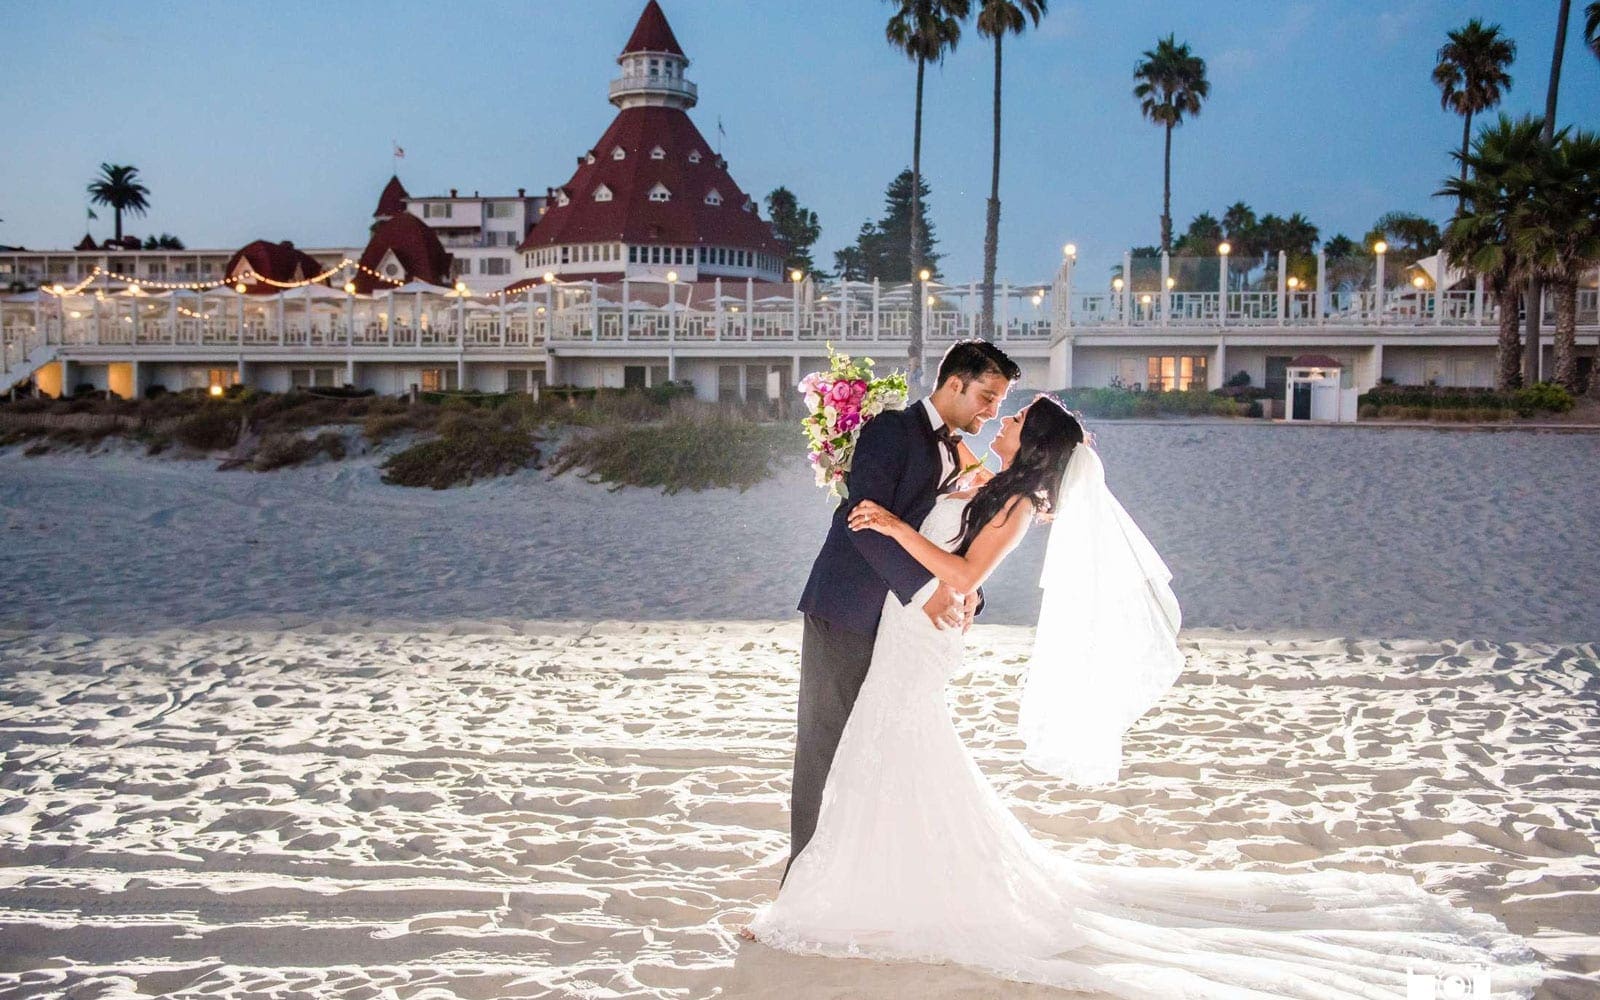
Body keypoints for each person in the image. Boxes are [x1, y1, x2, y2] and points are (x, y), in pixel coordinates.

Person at [747, 396, 1543, 999]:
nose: (1006, 419)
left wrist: (892, 528)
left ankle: (859, 891)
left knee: (895, 743)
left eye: (1016, 417)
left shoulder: (1019, 505)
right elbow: (950, 531)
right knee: (889, 750)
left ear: (1035, 443)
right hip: (912, 625)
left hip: (924, 633)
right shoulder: (994, 482)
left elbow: (961, 573)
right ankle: (875, 881)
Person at [787, 339, 1019, 882]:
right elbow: (863, 522)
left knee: (876, 749)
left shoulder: (961, 454)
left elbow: (946, 539)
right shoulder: (891, 430)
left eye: (1000, 402)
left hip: (900, 627)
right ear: (955, 383)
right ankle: (799, 882)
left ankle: (857, 878)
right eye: (987, 396)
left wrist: (968, 591)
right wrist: (927, 591)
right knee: (825, 747)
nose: (992, 411)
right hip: (848, 608)